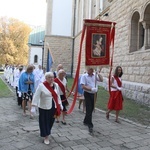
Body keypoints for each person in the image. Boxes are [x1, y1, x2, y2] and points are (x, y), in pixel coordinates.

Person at [31, 72, 63, 145]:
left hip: (53, 106)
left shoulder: (56, 85)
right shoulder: (41, 86)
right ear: (46, 78)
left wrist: (60, 104)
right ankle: (46, 136)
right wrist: (33, 107)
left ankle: (48, 132)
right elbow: (36, 96)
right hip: (44, 107)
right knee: (44, 122)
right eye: (49, 77)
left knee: (51, 121)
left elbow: (57, 95)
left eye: (52, 77)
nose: (52, 79)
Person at [80, 67, 103, 133]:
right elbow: (83, 86)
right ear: (87, 69)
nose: (92, 70)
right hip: (88, 93)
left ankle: (85, 121)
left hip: (94, 94)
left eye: (92, 69)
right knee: (89, 109)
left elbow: (101, 80)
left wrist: (98, 73)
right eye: (90, 69)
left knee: (92, 108)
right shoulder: (84, 76)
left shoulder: (95, 75)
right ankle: (90, 125)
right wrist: (91, 89)